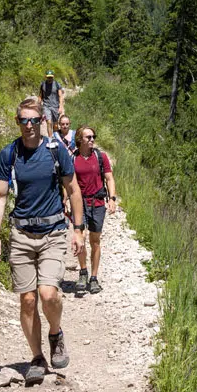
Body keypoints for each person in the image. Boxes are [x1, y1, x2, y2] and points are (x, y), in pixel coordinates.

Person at [0, 96, 85, 384]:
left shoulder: (57, 152)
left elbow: (74, 190)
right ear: (18, 122)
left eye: (34, 120)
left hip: (53, 233)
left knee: (48, 294)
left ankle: (55, 332)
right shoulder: (10, 154)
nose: (28, 125)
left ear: (43, 121)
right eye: (23, 120)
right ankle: (37, 357)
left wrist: (78, 229)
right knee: (28, 300)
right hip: (21, 235)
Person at [73, 125, 117, 296]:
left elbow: (109, 178)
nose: (92, 140)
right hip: (80, 203)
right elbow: (68, 181)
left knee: (95, 240)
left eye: (93, 137)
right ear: (80, 140)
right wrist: (66, 199)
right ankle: (83, 272)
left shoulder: (101, 157)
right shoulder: (72, 158)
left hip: (97, 202)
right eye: (88, 137)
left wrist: (112, 199)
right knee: (81, 237)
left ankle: (94, 277)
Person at [39, 71, 64, 137]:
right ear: (46, 77)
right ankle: (50, 138)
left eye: (51, 77)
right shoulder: (43, 85)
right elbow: (40, 96)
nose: (49, 79)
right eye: (48, 77)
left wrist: (61, 107)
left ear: (53, 77)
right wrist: (38, 105)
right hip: (46, 106)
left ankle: (56, 137)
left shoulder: (57, 84)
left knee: (55, 125)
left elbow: (60, 96)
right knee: (49, 122)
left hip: (55, 106)